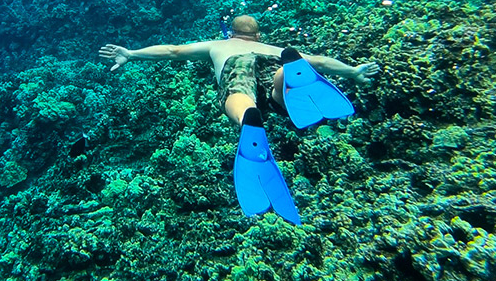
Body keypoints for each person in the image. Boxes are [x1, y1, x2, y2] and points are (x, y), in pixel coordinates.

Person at [98, 15, 379, 225]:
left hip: (236, 65)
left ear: (231, 32)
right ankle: (285, 78)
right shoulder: (270, 46)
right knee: (276, 91)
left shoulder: (219, 44)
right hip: (274, 61)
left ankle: (246, 116)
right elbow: (318, 61)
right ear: (257, 35)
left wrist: (131, 54)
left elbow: (173, 51)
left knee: (237, 93)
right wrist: (353, 71)